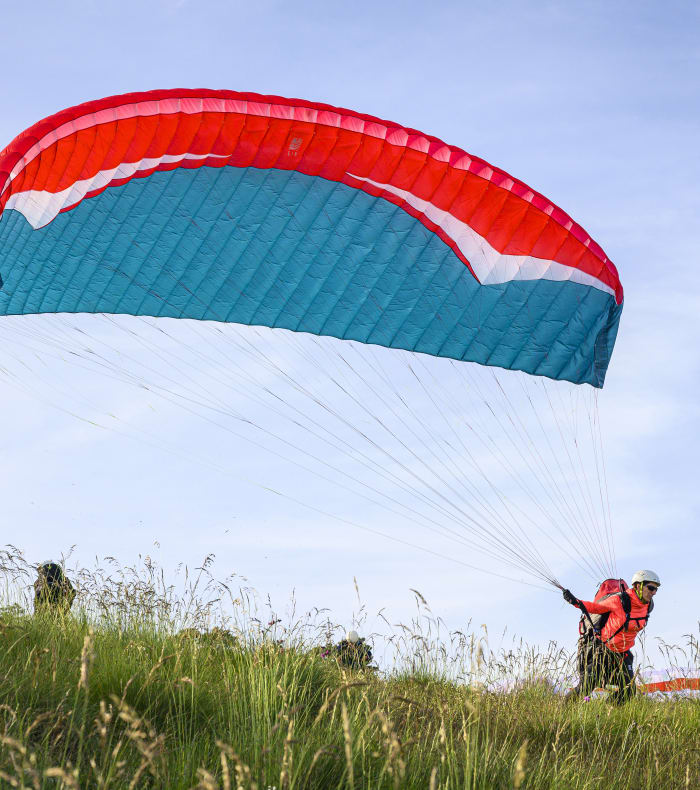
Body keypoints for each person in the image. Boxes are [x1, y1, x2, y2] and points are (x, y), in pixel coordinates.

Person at [562, 570, 660, 703]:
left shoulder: (649, 606)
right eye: (651, 588)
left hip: (623, 654)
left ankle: (607, 711)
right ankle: (563, 708)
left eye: (656, 589)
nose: (654, 592)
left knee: (629, 691)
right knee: (587, 686)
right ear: (638, 586)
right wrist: (575, 601)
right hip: (603, 651)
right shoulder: (619, 600)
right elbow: (595, 608)